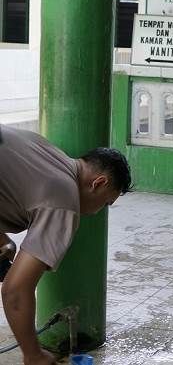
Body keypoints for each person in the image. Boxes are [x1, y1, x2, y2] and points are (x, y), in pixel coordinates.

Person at [0, 126, 131, 365]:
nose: (100, 210)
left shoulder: (46, 150)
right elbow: (15, 291)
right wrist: (33, 355)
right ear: (98, 183)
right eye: (107, 202)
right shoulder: (63, 201)